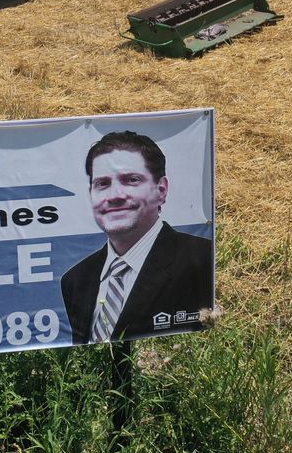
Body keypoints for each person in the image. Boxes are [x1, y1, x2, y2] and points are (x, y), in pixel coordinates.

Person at [60, 130, 214, 344]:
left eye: (131, 180)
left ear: (161, 189)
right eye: (102, 183)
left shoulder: (202, 260)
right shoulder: (74, 280)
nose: (114, 196)